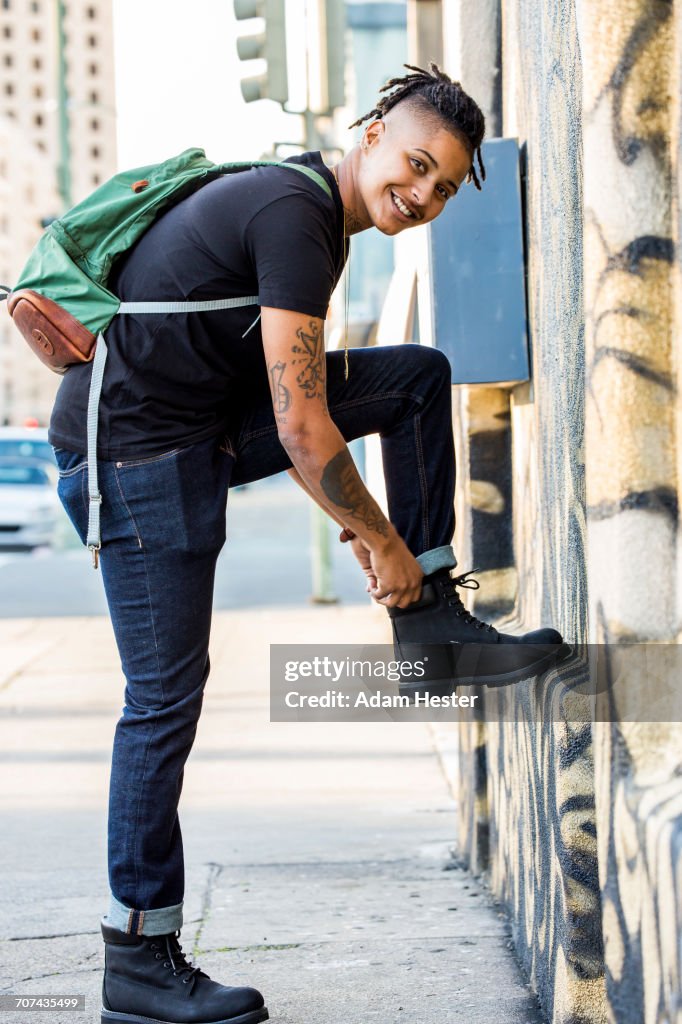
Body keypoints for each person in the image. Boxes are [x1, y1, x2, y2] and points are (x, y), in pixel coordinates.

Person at [49, 63, 565, 1024]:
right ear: (372, 133)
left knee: (414, 377)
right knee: (162, 701)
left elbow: (300, 405)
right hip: (135, 453)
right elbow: (302, 428)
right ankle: (138, 958)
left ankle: (433, 634)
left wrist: (395, 553)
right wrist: (381, 544)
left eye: (445, 189)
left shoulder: (308, 209)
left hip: (185, 431)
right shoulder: (295, 214)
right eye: (415, 166)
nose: (420, 197)